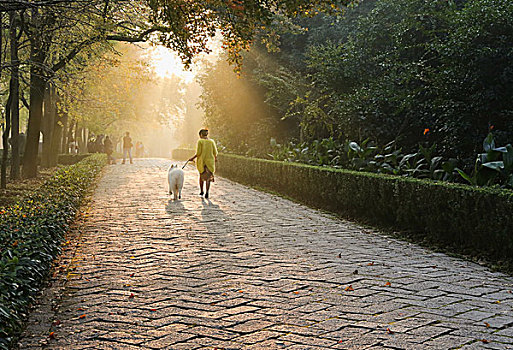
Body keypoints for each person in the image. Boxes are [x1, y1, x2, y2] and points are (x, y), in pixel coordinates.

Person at [188, 129, 218, 199]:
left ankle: (201, 191)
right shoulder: (211, 141)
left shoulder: (200, 141)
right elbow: (215, 152)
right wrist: (215, 158)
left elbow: (198, 153)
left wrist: (192, 158)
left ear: (201, 134)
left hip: (202, 162)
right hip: (210, 162)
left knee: (202, 176)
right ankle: (207, 191)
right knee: (208, 178)